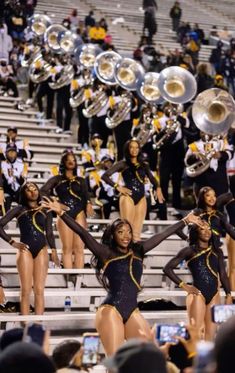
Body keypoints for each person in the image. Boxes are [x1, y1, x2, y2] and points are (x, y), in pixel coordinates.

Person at [41, 196, 202, 355]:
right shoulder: (106, 253)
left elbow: (163, 235)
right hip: (111, 311)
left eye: (129, 232)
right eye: (120, 232)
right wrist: (61, 213)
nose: (126, 236)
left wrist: (185, 220)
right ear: (113, 235)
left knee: (149, 354)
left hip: (132, 310)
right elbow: (83, 233)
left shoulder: (139, 250)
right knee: (116, 362)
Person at [163, 222, 232, 341]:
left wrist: (228, 294)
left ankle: (207, 359)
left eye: (209, 229)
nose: (207, 231)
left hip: (214, 294)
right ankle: (191, 357)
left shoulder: (217, 251)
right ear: (196, 231)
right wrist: (184, 286)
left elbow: (223, 275)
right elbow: (167, 268)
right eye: (202, 229)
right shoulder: (189, 251)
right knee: (196, 333)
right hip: (197, 294)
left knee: (210, 335)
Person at [0, 182, 58, 315]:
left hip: (41, 250)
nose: (33, 191)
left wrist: (54, 251)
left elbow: (49, 233)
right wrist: (12, 242)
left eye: (35, 188)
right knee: (25, 289)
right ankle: (25, 325)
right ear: (23, 194)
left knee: (39, 290)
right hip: (25, 250)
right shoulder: (19, 209)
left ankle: (38, 326)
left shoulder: (46, 209)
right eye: (28, 189)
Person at [102, 139, 164, 241]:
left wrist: (158, 187)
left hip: (141, 198)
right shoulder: (123, 164)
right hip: (128, 197)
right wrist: (118, 186)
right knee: (127, 230)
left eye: (136, 147)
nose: (134, 150)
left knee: (136, 234)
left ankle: (136, 256)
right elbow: (105, 176)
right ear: (127, 149)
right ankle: (124, 255)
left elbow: (152, 178)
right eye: (131, 147)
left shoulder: (144, 165)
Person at [40, 150, 93, 268]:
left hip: (79, 213)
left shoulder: (81, 180)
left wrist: (89, 203)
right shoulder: (57, 179)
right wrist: (56, 203)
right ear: (63, 162)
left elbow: (86, 195)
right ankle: (70, 280)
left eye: (73, 160)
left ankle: (78, 281)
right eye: (68, 160)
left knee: (79, 248)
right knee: (67, 248)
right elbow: (42, 191)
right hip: (64, 213)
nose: (71, 162)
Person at [196, 187, 235, 289]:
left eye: (214, 195)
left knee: (218, 276)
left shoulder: (219, 215)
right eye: (208, 195)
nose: (212, 198)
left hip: (216, 249)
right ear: (202, 197)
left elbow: (229, 229)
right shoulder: (197, 213)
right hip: (201, 250)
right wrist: (188, 239)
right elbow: (183, 227)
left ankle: (229, 298)